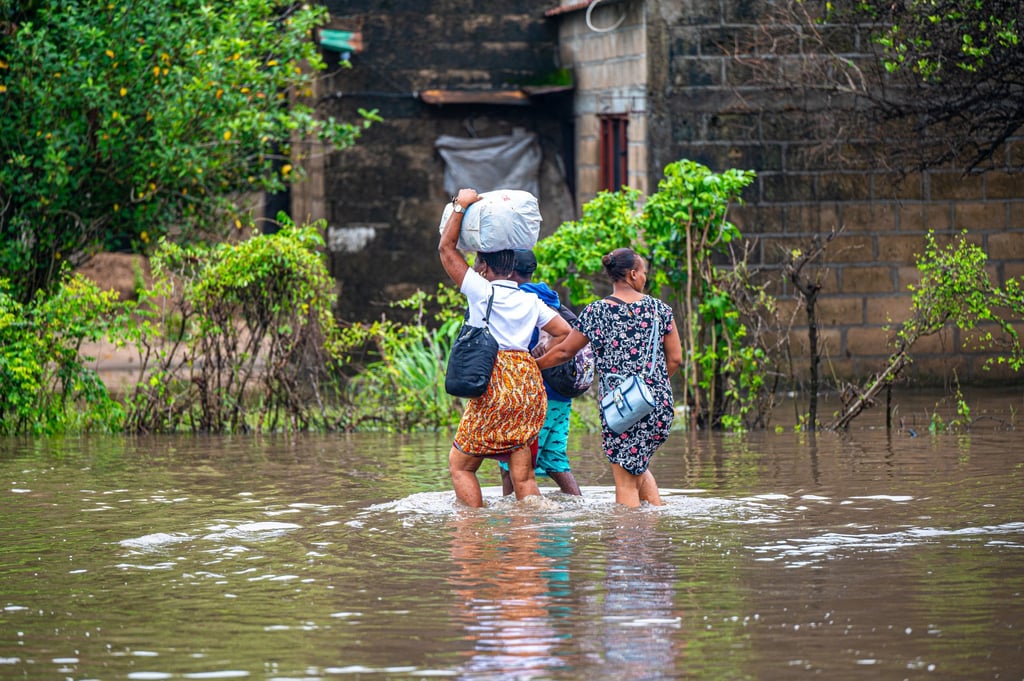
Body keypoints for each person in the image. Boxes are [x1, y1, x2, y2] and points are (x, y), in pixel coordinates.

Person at [439, 188, 573, 508]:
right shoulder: (531, 300)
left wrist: (460, 206)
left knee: (461, 466)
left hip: (494, 383)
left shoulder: (481, 291)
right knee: (522, 475)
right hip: (528, 387)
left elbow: (446, 250)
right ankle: (527, 538)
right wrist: (535, 362)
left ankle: (473, 529)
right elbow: (565, 333)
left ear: (483, 268)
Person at [535, 247, 683, 508]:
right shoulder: (661, 310)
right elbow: (675, 360)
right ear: (633, 274)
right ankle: (655, 533)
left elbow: (565, 351)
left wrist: (533, 365)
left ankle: (627, 545)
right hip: (658, 403)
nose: (645, 278)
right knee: (637, 465)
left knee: (625, 481)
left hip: (622, 408)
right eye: (644, 273)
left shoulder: (595, 312)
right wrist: (651, 386)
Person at [498, 249, 582, 497]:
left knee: (510, 463)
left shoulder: (518, 299)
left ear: (509, 272)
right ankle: (577, 509)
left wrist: (533, 367)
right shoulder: (550, 297)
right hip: (562, 394)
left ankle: (512, 524)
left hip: (536, 394)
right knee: (555, 457)